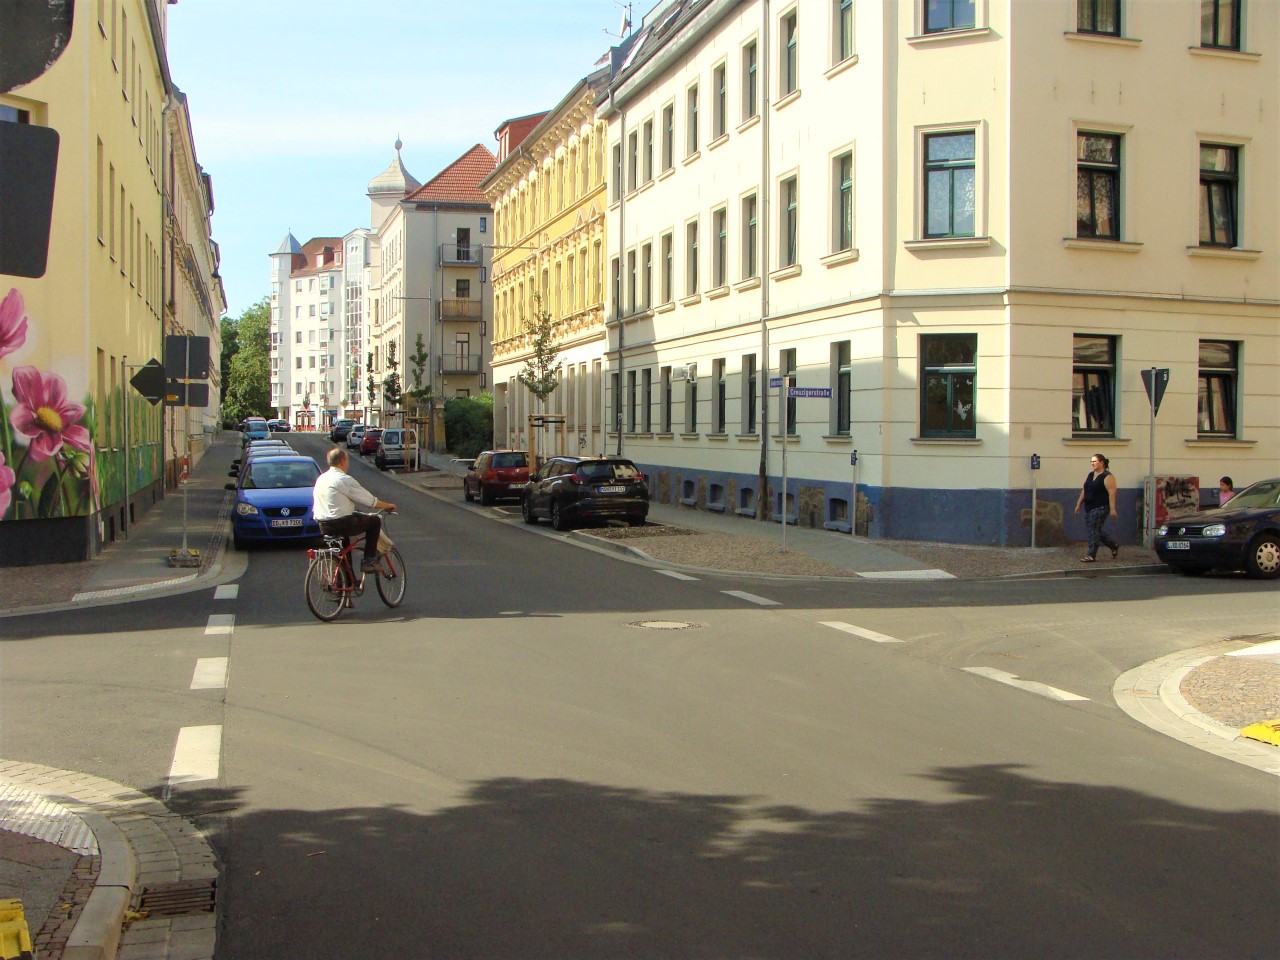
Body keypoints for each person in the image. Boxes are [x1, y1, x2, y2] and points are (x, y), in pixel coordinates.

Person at [313, 446, 396, 573]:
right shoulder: (343, 479)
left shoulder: (321, 479)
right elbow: (370, 501)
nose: (348, 464)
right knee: (374, 522)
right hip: (341, 523)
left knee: (344, 551)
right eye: (347, 460)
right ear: (342, 461)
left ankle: (346, 580)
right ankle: (369, 561)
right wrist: (387, 505)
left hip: (323, 525)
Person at [1074, 453, 1118, 563]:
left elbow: (1112, 493)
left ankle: (1091, 555)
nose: (1092, 463)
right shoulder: (1090, 475)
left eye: (1095, 461)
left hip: (1101, 507)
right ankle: (1113, 545)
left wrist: (1112, 509)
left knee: (1093, 530)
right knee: (1095, 530)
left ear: (1102, 462)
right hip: (1089, 506)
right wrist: (1078, 504)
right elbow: (1085, 490)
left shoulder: (1107, 476)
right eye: (1091, 461)